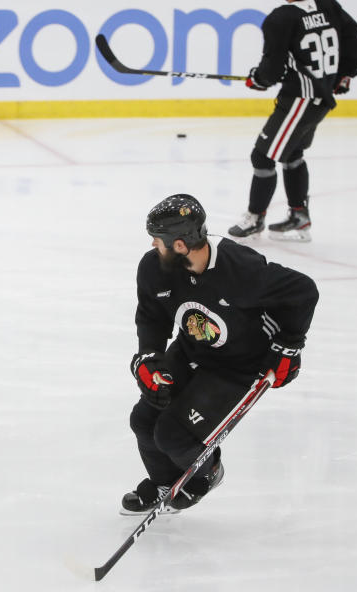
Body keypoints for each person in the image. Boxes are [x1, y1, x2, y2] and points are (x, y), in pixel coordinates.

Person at [123, 193, 318, 514]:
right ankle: (163, 482)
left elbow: (303, 290)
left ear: (181, 245)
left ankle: (206, 474)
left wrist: (289, 346)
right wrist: (148, 356)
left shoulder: (239, 268)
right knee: (144, 420)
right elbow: (152, 315)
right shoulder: (154, 268)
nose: (153, 246)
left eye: (158, 240)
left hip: (239, 367)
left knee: (172, 436)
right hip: (191, 349)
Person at [229, 0, 357, 242]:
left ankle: (255, 219)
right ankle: (299, 215)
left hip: (300, 100)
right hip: (320, 97)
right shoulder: (328, 5)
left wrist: (259, 79)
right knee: (291, 154)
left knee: (262, 156)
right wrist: (345, 74)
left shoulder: (281, 19)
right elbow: (355, 41)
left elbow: (272, 68)